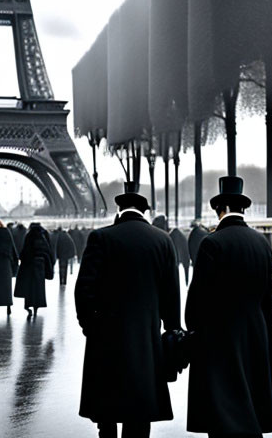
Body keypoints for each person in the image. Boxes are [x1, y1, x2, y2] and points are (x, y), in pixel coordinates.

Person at [185, 176, 272, 438]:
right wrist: (260, 325)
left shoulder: (212, 243)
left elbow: (198, 299)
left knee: (223, 414)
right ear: (242, 209)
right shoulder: (262, 243)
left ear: (220, 209)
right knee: (252, 406)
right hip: (256, 334)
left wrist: (195, 330)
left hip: (220, 337)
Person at [75, 184, 181, 438]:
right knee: (140, 411)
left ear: (119, 209)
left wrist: (91, 325)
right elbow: (171, 294)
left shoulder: (101, 237)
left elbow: (84, 290)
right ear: (144, 210)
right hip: (146, 336)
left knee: (107, 409)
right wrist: (171, 329)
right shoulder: (162, 240)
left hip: (106, 336)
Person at [15, 222, 54, 318]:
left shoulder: (29, 235)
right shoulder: (44, 235)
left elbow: (25, 250)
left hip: (29, 265)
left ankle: (28, 307)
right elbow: (49, 250)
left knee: (29, 288)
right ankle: (36, 307)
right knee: (39, 288)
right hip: (41, 264)